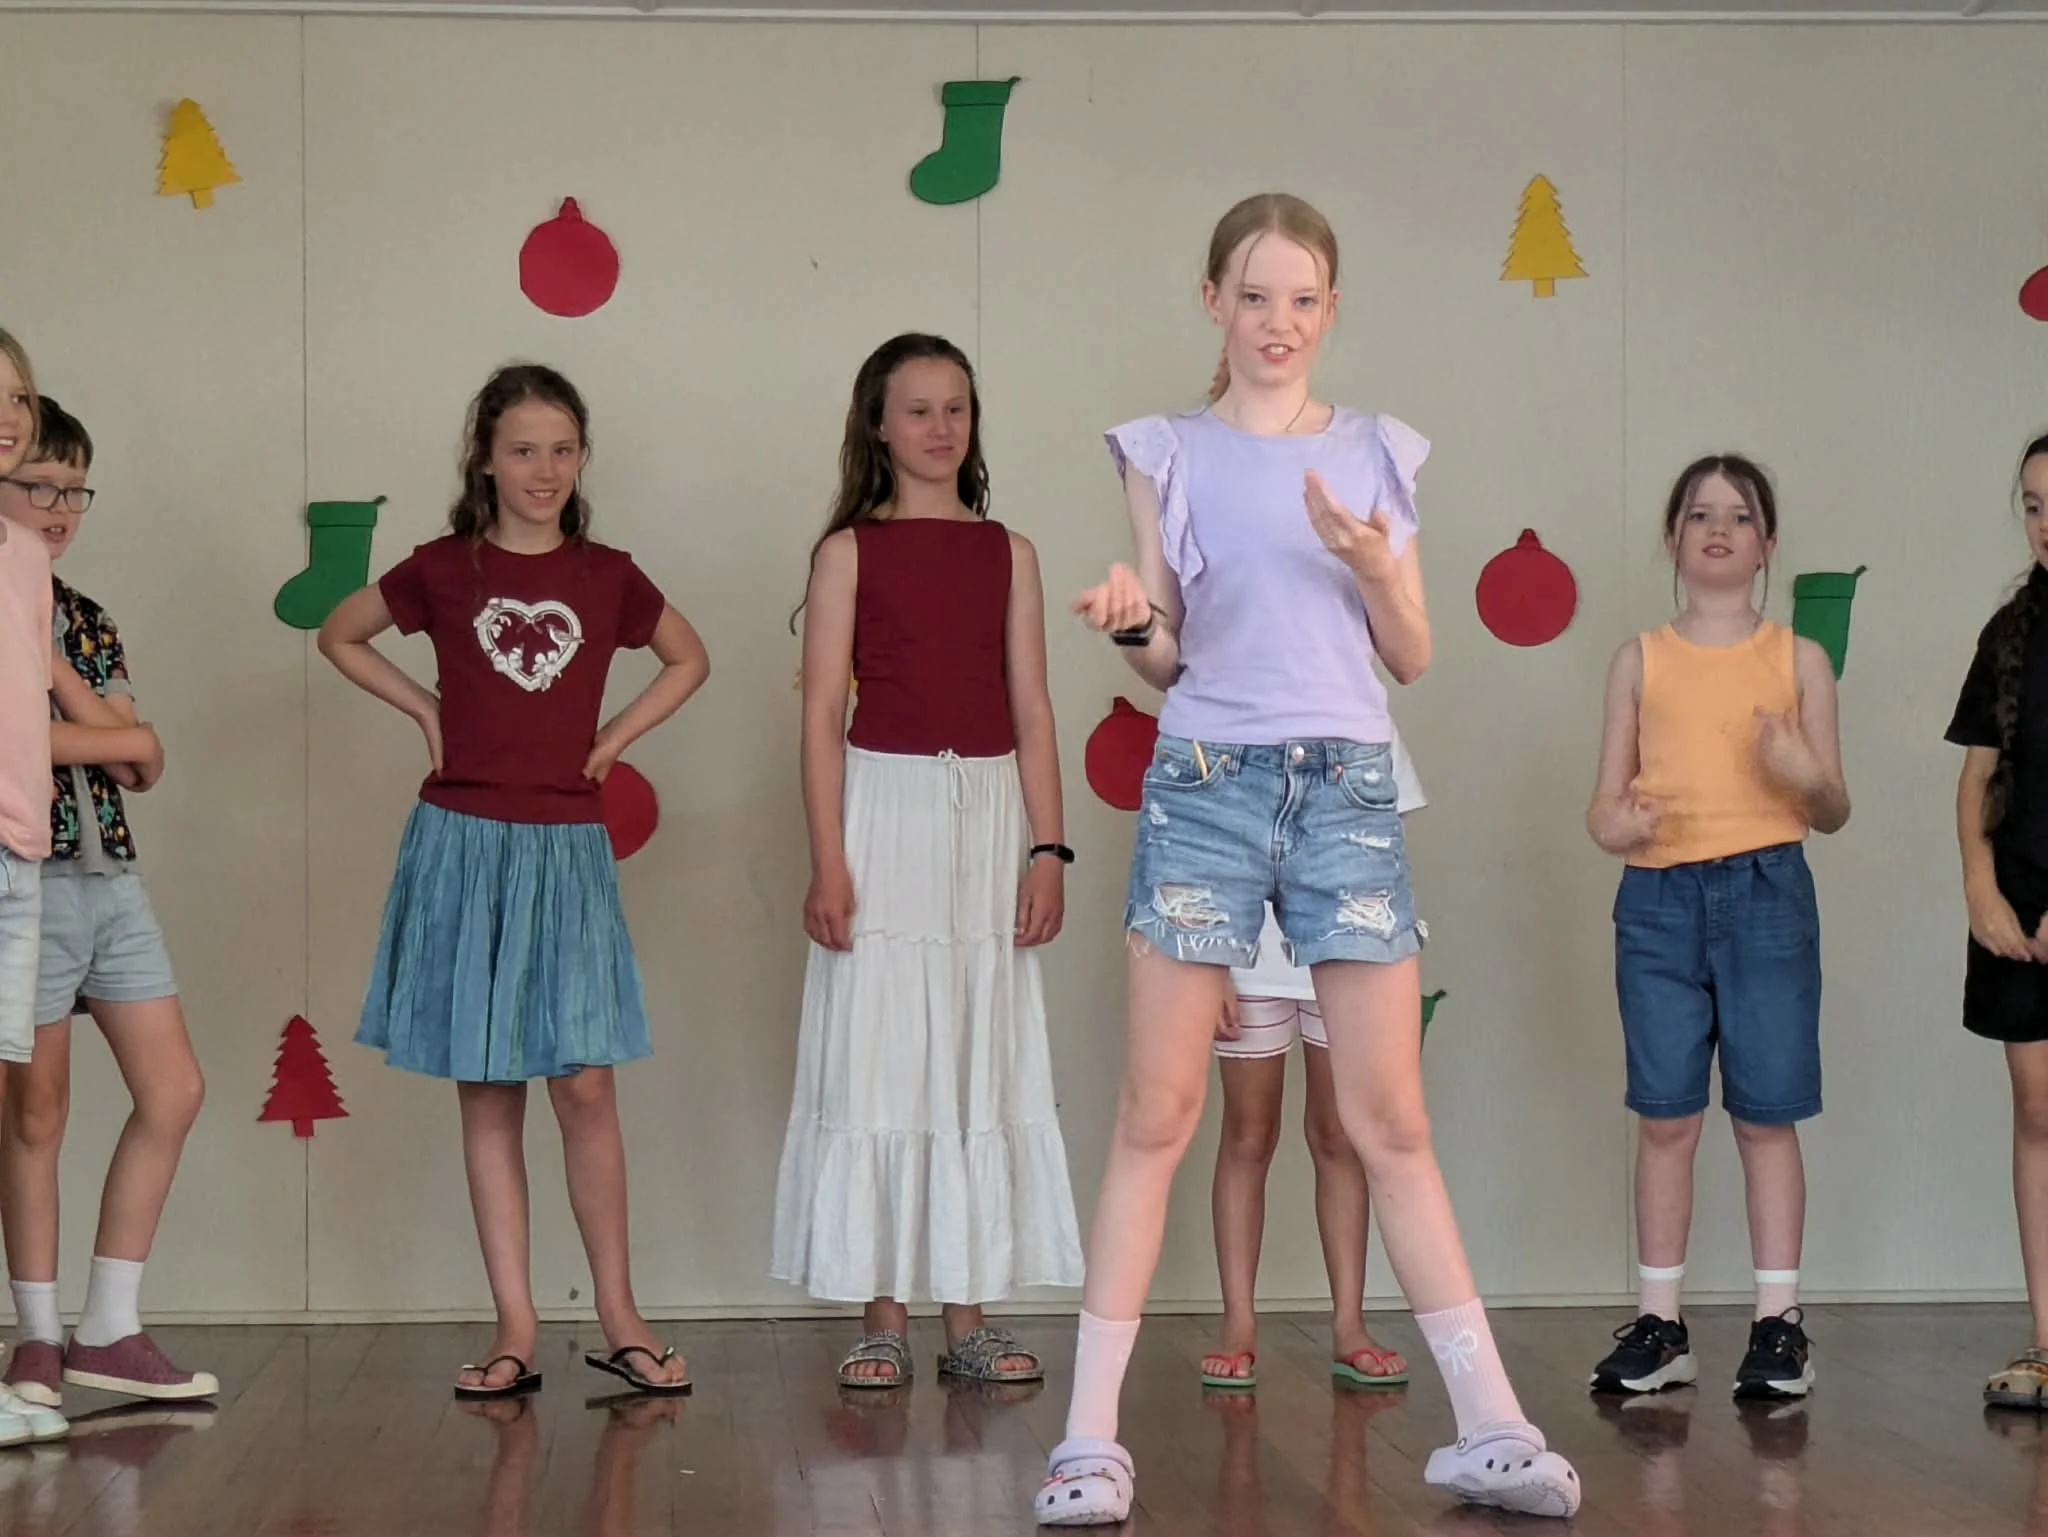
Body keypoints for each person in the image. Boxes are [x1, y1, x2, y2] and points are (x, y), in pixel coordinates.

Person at [1039, 193, 1579, 1525]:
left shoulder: (1381, 452)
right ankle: (1088, 1444)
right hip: (1206, 786)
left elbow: (1411, 652)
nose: (1279, 321)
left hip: (1346, 787)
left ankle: (1493, 1427)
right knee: (1157, 1115)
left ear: (1331, 310)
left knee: (1389, 1119)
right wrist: (1126, 622)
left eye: (1304, 299)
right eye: (1255, 293)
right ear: (1212, 298)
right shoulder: (1162, 451)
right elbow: (1168, 649)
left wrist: (1375, 565)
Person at [318, 363, 709, 1399]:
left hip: (564, 845)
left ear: (582, 459)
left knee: (582, 1082)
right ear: (485, 457)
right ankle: (515, 1324)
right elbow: (339, 633)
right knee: (488, 1088)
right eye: (524, 449)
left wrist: (615, 736)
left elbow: (686, 657)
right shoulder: (443, 569)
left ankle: (619, 1315)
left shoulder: (607, 574)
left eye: (563, 449)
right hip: (462, 840)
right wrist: (423, 708)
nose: (544, 469)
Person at [771, 333, 1083, 1389]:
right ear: (877, 425)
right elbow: (819, 713)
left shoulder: (1010, 552)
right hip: (883, 809)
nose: (940, 427)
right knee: (882, 1041)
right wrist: (828, 859)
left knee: (972, 1041)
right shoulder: (847, 552)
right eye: (917, 410)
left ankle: (968, 1318)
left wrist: (1046, 846)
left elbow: (1033, 707)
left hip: (987, 810)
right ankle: (883, 1316)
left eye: (955, 407)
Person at [1586, 454, 1848, 1402]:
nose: (1719, 529)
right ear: (1672, 537)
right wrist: (1627, 826)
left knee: (1766, 1115)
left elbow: (1832, 806)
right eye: (1700, 514)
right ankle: (1662, 1325)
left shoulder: (1798, 660)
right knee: (1666, 1118)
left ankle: (1778, 1327)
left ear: (1767, 543)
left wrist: (1796, 764)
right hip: (1657, 902)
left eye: (1740, 516)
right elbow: (1603, 810)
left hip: (1769, 894)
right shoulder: (1638, 658)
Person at [0, 399, 206, 1413]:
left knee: (172, 1090)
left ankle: (109, 1324)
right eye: (40, 484)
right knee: (37, 1111)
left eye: (76, 489)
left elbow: (146, 762)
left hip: (109, 878)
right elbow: (49, 751)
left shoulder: (81, 613)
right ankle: (37, 1336)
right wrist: (113, 733)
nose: (61, 507)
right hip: (23, 878)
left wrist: (57, 681)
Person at [1200, 724, 1425, 1392]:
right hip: (1247, 958)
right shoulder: (1229, 711)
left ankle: (1349, 1326)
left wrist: (1393, 955)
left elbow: (1386, 853)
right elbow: (1206, 847)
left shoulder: (1371, 716)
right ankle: (1237, 1323)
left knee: (1339, 1136)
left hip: (1347, 957)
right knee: (1247, 1134)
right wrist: (1211, 961)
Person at [1946, 432, 2048, 1410]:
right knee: (2035, 1110)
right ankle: (2046, 1340)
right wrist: (1981, 887)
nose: (2043, 522)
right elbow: (1975, 776)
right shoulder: (2008, 633)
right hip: (2018, 918)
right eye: (2029, 503)